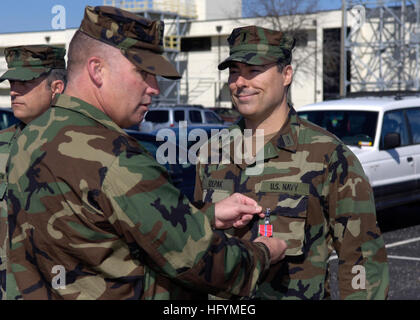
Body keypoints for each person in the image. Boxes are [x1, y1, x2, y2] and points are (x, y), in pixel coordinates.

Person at [5, 7, 287, 300]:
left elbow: (102, 229)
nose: (154, 88)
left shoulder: (30, 138)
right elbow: (199, 261)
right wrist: (264, 252)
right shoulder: (115, 157)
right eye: (143, 72)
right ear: (97, 70)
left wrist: (209, 215)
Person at [194, 25, 389, 300]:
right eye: (234, 71)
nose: (240, 82)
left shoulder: (329, 155)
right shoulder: (211, 153)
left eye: (254, 70)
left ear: (286, 74)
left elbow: (361, 258)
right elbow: (195, 246)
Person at [0, 45, 67, 300]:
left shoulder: (84, 149)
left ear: (56, 88)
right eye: (12, 81)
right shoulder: (2, 147)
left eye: (25, 82)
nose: (14, 91)